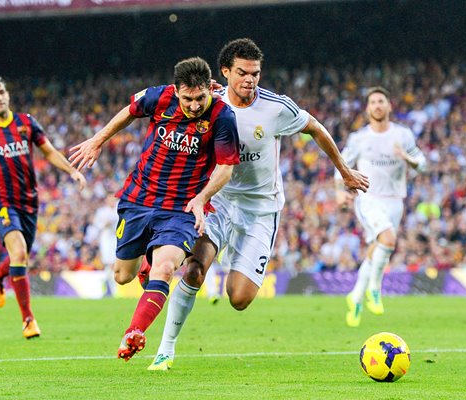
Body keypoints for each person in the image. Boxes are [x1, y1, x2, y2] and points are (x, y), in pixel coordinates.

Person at [147, 38, 369, 370]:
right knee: (193, 270)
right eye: (242, 73)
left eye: (255, 73)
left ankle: (229, 263)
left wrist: (343, 170)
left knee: (239, 298)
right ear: (224, 72)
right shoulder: (208, 102)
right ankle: (165, 350)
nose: (250, 79)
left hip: (260, 211)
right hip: (217, 204)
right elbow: (172, 111)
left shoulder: (276, 107)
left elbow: (316, 129)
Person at [69, 57, 240, 361]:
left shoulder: (222, 116)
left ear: (209, 91)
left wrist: (201, 198)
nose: (195, 105)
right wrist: (98, 140)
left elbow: (226, 168)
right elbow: (129, 111)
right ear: (176, 91)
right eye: (188, 98)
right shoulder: (159, 97)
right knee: (122, 276)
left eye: (201, 97)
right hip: (139, 199)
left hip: (182, 207)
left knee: (166, 268)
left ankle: (134, 333)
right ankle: (143, 266)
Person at [0, 76, 86, 339]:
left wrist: (71, 171)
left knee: (20, 257)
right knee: (19, 251)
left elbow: (48, 151)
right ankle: (28, 320)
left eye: (2, 91)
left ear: (8, 94)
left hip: (29, 201)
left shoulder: (26, 123)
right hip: (1, 202)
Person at [336, 86, 427, 327]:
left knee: (377, 249)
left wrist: (407, 159)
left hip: (395, 201)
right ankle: (374, 290)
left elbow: (423, 163)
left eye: (381, 101)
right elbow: (342, 166)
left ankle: (355, 296)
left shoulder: (402, 135)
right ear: (367, 109)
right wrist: (339, 192)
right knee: (387, 239)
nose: (377, 105)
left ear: (389, 106)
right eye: (373, 102)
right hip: (368, 198)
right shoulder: (359, 138)